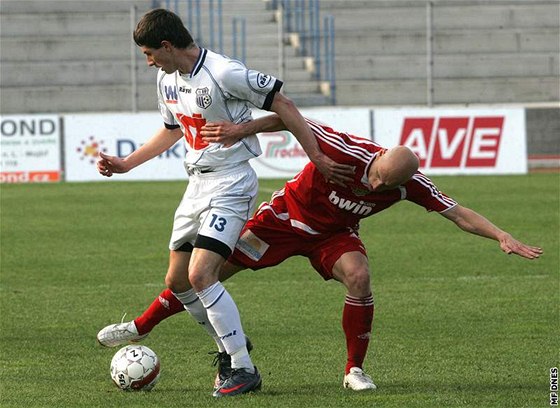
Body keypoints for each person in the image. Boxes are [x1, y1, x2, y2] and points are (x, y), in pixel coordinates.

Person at [97, 114, 542, 392]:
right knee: (206, 273)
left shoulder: (407, 183)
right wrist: (240, 129)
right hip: (283, 220)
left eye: (385, 188)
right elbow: (288, 118)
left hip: (333, 235)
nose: (374, 188)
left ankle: (354, 370)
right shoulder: (343, 147)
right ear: (377, 158)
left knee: (360, 277)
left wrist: (501, 235)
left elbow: (457, 212)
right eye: (375, 178)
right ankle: (141, 325)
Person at [96, 9, 353, 398]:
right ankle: (231, 347)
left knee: (202, 275)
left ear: (167, 46)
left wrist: (314, 155)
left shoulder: (223, 72)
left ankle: (243, 369)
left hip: (232, 183)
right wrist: (125, 164)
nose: (147, 61)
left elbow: (282, 103)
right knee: (177, 281)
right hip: (196, 187)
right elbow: (171, 131)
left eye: (150, 53)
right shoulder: (167, 79)